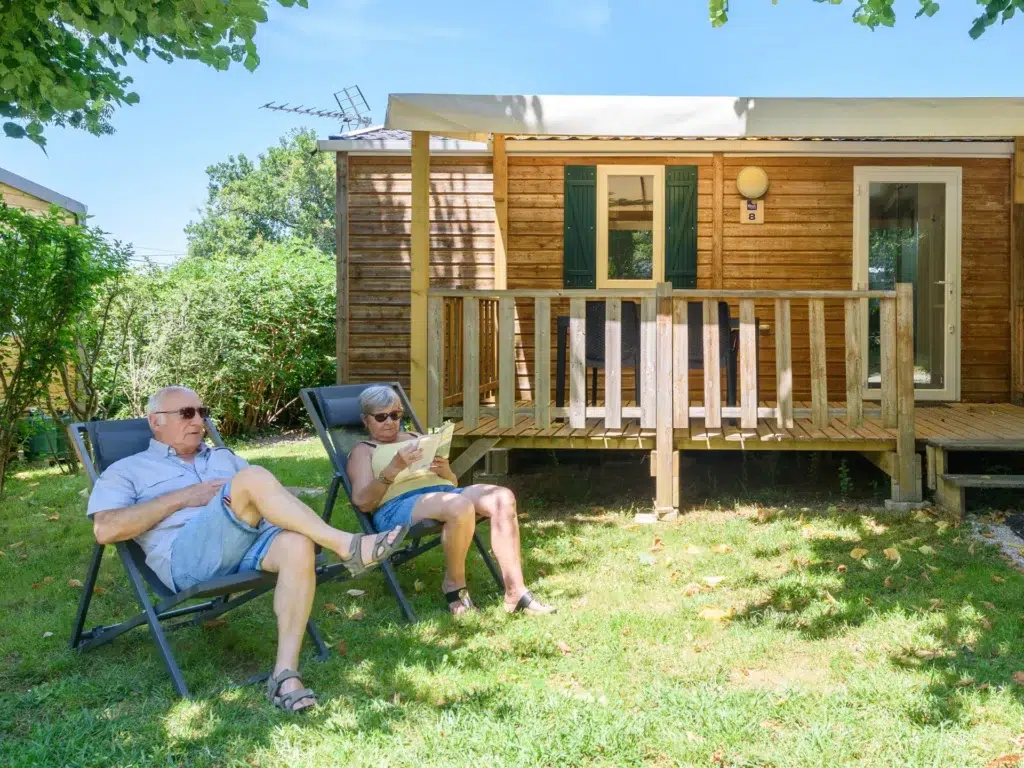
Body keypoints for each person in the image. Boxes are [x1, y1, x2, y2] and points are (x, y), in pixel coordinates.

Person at [87, 386, 409, 713]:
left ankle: (285, 676)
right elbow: (106, 529)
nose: (198, 420)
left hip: (248, 542)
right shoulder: (128, 469)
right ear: (156, 422)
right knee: (252, 477)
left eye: (203, 412)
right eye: (187, 413)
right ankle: (347, 545)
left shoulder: (223, 457)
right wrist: (184, 497)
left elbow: (270, 495)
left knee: (297, 542)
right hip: (188, 559)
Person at [347, 384, 556, 617]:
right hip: (396, 505)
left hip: (442, 493)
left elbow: (452, 482)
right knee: (459, 506)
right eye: (381, 417)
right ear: (366, 421)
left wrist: (445, 468)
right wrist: (393, 468)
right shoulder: (363, 451)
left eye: (395, 415)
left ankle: (515, 592)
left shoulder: (417, 438)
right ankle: (454, 586)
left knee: (502, 498)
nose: (390, 422)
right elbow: (363, 502)